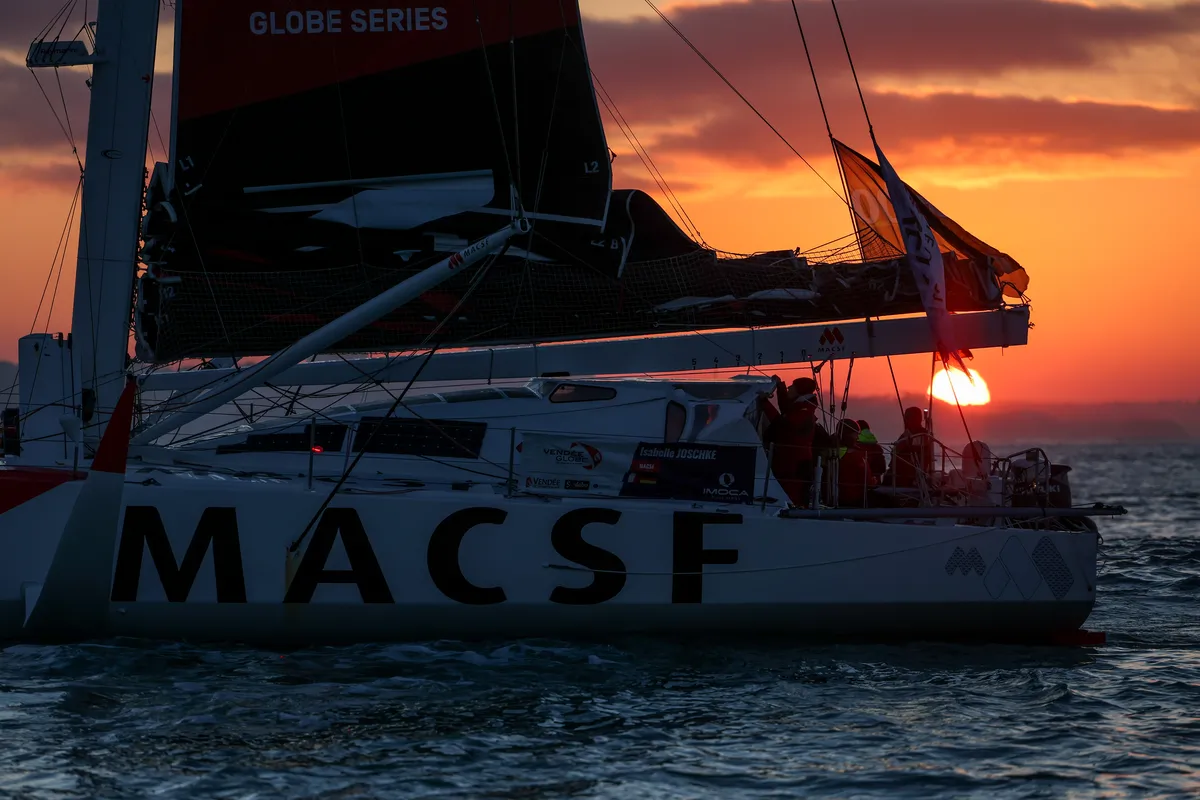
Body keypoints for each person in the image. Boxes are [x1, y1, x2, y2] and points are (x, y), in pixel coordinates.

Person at [760, 376, 832, 506]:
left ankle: (793, 514)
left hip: (794, 464)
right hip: (792, 461)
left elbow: (781, 424)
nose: (789, 388)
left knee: (792, 496)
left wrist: (764, 403)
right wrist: (780, 386)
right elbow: (785, 409)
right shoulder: (801, 406)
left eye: (792, 386)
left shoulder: (803, 411)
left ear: (800, 391)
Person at [885, 406, 933, 488]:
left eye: (907, 417)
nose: (906, 420)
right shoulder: (908, 434)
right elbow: (895, 451)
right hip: (899, 471)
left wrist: (906, 441)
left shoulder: (922, 435)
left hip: (910, 473)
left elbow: (913, 449)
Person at [836, 419, 877, 507]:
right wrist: (873, 481)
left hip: (840, 498)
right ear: (850, 436)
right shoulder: (856, 456)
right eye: (856, 435)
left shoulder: (834, 453)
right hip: (857, 499)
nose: (857, 438)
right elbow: (867, 482)